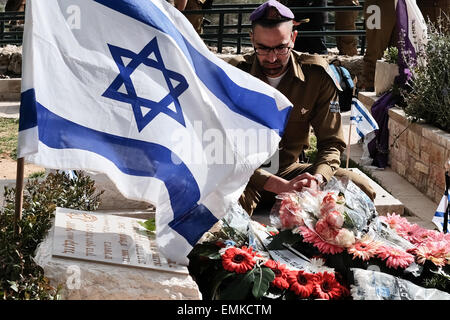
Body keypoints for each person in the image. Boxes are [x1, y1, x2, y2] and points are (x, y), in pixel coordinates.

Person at [228, 0, 376, 216]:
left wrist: (317, 179)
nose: (272, 58)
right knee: (224, 212)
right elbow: (221, 151)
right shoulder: (233, 76)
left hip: (290, 172)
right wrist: (275, 185)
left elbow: (331, 143)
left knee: (360, 189)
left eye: (281, 48)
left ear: (294, 39)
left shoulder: (316, 76)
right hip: (244, 176)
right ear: (252, 40)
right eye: (263, 48)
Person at [362, 0, 397, 91]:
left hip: (403, 4)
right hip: (379, 4)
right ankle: (370, 88)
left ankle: (399, 91)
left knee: (401, 52)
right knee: (375, 50)